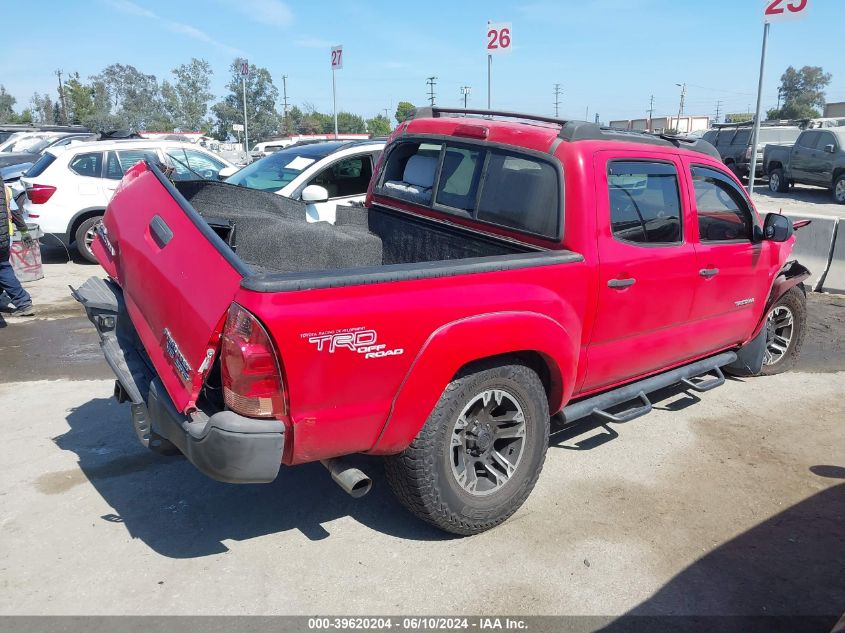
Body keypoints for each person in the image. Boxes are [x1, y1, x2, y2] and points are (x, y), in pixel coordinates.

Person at [1, 175, 35, 317]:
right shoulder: (5, 189)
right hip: (4, 239)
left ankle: (23, 302)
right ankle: (23, 302)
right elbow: (15, 212)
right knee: (3, 268)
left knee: (3, 270)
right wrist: (25, 232)